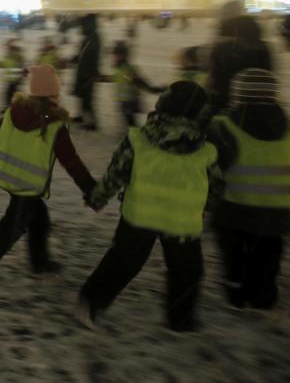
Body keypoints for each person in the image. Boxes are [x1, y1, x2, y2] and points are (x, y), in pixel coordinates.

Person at [78, 81, 218, 332]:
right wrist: (210, 206)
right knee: (187, 271)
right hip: (182, 221)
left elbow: (116, 174)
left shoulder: (138, 139)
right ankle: (181, 319)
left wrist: (97, 198)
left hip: (139, 215)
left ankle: (90, 302)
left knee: (123, 263)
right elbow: (215, 185)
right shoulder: (205, 149)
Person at [0, 65, 95, 293]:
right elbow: (72, 162)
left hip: (13, 179)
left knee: (39, 220)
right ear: (53, 95)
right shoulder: (54, 126)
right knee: (10, 230)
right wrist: (90, 188)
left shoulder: (14, 112)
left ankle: (39, 262)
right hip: (28, 186)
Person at [207, 69, 290, 311]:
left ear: (239, 95)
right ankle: (264, 294)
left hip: (234, 209)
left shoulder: (223, 127)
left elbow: (212, 166)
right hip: (278, 214)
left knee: (234, 255)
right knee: (268, 253)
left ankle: (236, 291)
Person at [108, 41, 164, 127]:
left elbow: (139, 82)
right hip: (124, 101)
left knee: (131, 123)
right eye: (113, 55)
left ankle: (135, 137)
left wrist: (153, 89)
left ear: (122, 56)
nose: (113, 58)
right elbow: (115, 78)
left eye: (115, 55)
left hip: (130, 102)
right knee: (129, 122)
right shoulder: (119, 69)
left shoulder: (127, 69)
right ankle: (133, 135)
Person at [71, 13, 102, 130]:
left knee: (87, 98)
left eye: (83, 25)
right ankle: (81, 116)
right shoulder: (87, 39)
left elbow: (94, 57)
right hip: (82, 71)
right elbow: (81, 53)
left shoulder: (95, 39)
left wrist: (93, 73)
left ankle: (93, 123)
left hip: (89, 73)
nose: (81, 28)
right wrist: (75, 58)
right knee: (80, 95)